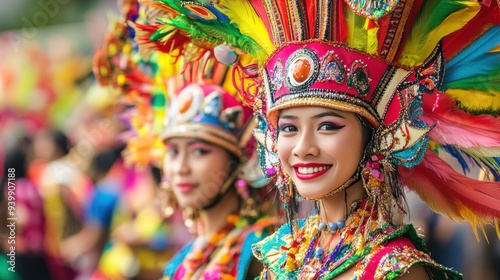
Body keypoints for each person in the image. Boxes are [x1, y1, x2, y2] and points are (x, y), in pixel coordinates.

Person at [142, 0, 500, 279]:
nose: (303, 147)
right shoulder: (278, 256)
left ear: (377, 135)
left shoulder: (394, 268)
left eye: (328, 126)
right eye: (289, 128)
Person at [93, 1, 277, 279]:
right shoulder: (184, 258)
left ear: (239, 159)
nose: (181, 167)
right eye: (173, 152)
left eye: (200, 152)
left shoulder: (266, 249)